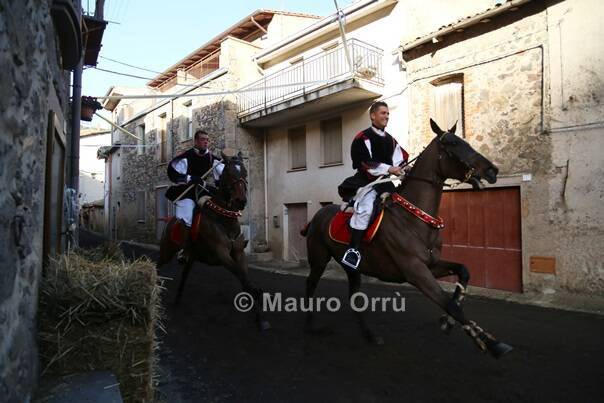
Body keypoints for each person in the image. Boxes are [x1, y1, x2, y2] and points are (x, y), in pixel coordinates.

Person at [338, 101, 409, 270]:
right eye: (383, 113)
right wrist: (390, 168)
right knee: (367, 209)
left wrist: (405, 167)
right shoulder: (362, 137)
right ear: (373, 115)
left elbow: (400, 160)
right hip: (366, 182)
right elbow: (365, 162)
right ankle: (352, 251)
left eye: (387, 114)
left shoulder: (391, 140)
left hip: (385, 184)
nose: (386, 116)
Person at [165, 129, 224, 261]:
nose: (206, 142)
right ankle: (183, 249)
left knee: (217, 209)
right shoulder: (187, 156)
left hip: (203, 189)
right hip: (187, 192)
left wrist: (232, 163)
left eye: (207, 140)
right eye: (203, 139)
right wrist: (189, 178)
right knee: (186, 217)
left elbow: (223, 171)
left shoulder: (211, 158)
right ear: (196, 141)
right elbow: (173, 173)